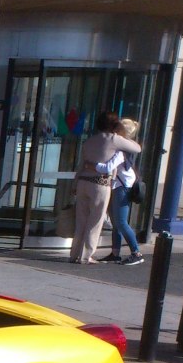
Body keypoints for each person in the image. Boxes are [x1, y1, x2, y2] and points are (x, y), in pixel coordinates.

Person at [69, 110, 141, 265]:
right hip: (100, 184)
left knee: (81, 220)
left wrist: (75, 183)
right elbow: (137, 148)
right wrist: (123, 135)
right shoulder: (114, 140)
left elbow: (81, 164)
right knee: (95, 221)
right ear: (114, 124)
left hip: (83, 181)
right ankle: (86, 255)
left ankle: (74, 253)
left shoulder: (88, 141)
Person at [97, 117, 144, 266]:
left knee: (121, 222)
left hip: (122, 188)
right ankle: (115, 253)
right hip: (119, 186)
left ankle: (136, 253)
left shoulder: (121, 151)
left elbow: (107, 167)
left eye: (116, 128)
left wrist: (91, 165)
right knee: (117, 223)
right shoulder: (125, 148)